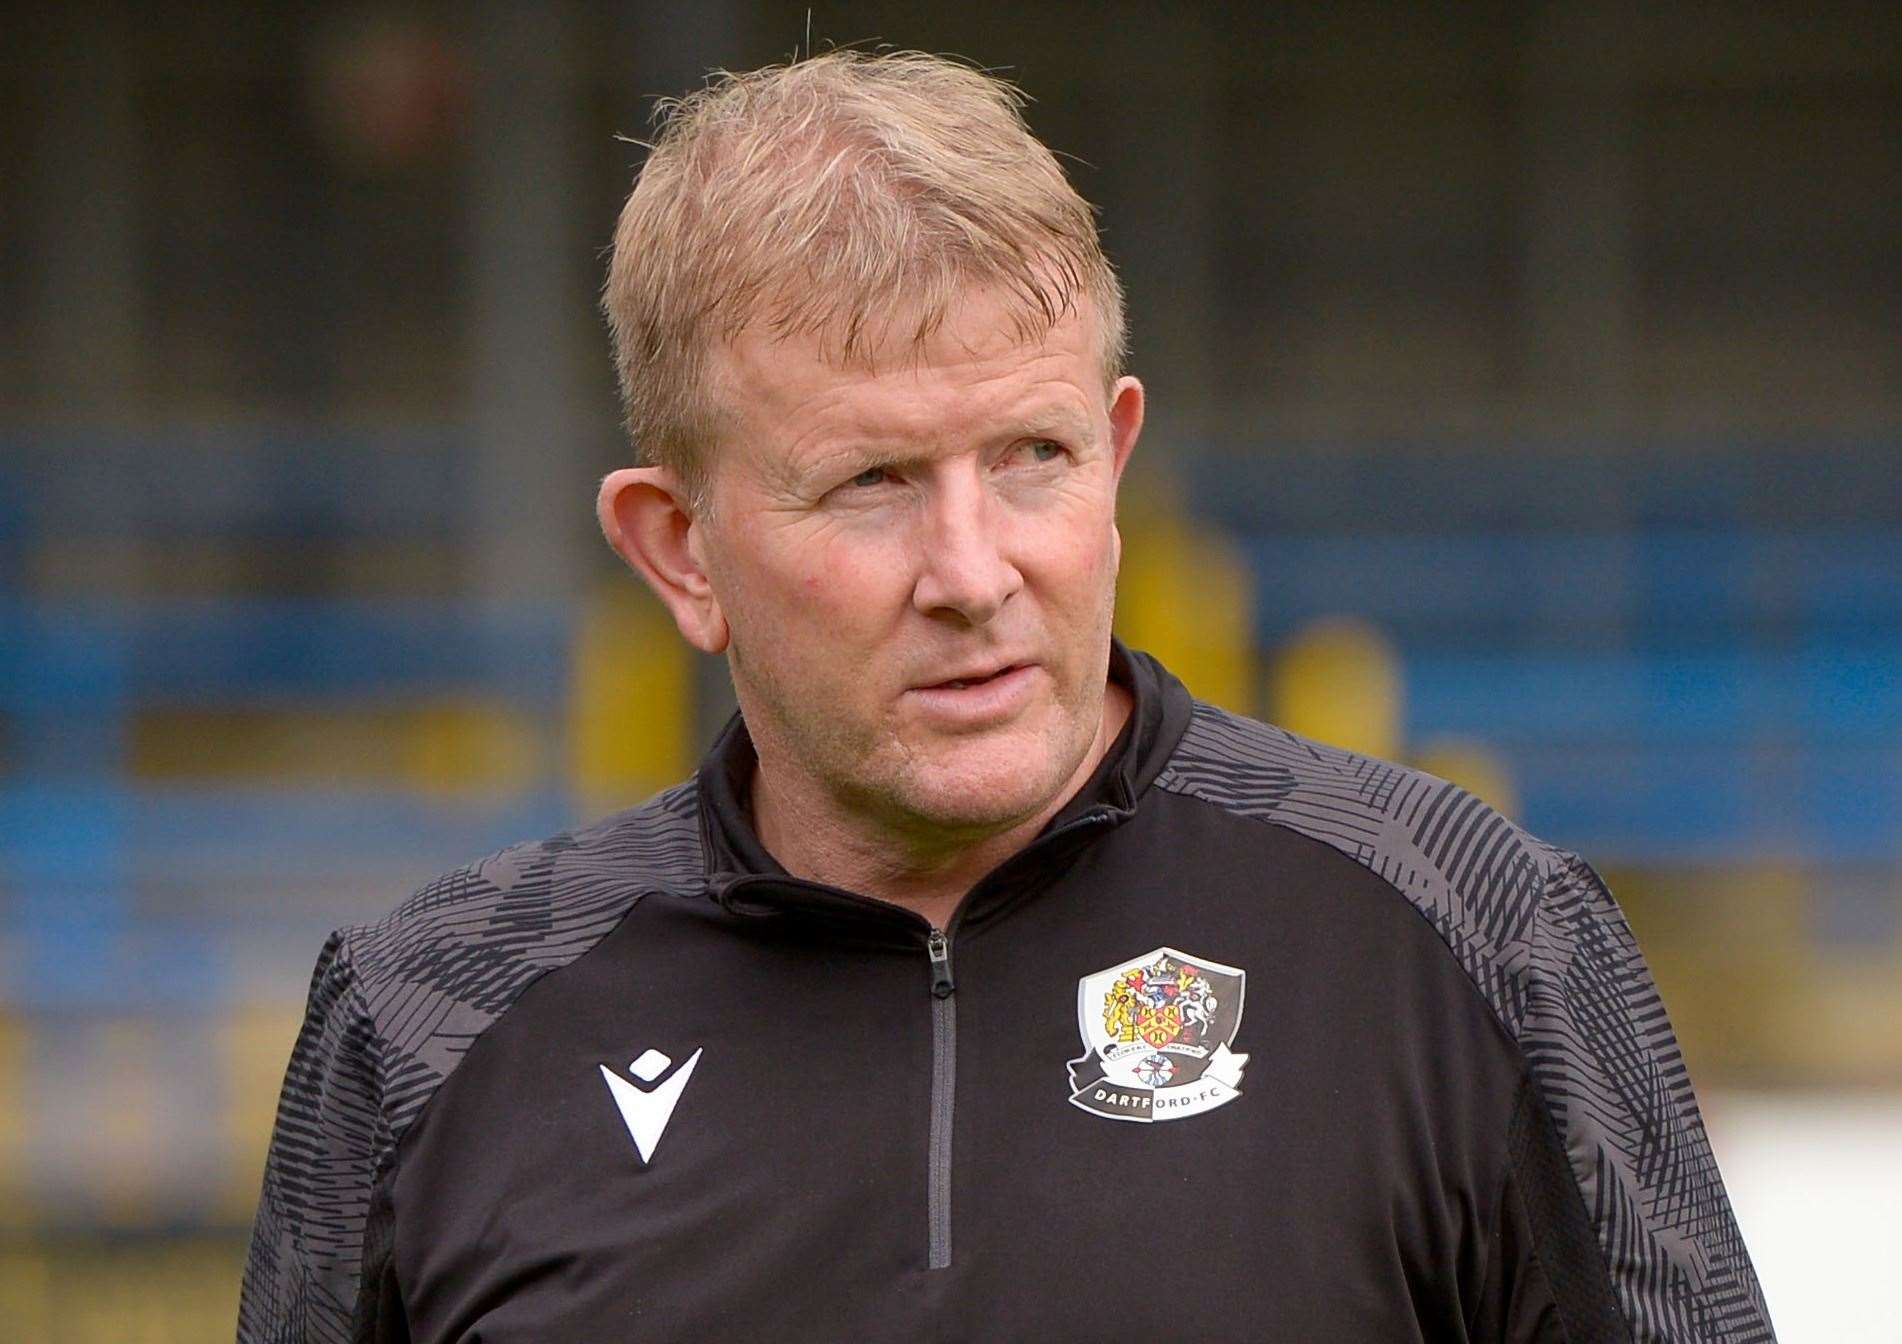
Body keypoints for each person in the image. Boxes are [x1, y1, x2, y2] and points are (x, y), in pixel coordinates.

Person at [239, 51, 1774, 1342]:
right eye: (870, 483)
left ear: (1113, 456)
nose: (971, 570)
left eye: (1029, 459)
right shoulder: (427, 1024)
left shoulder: (1476, 937)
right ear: (678, 549)